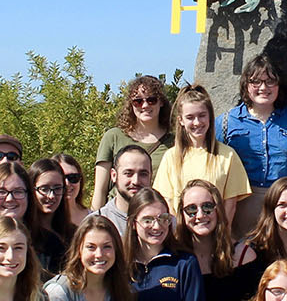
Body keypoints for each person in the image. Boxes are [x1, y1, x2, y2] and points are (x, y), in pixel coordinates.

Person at [219, 56, 287, 235]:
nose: (263, 88)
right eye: (255, 82)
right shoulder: (225, 122)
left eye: (270, 81)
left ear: (279, 85)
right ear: (245, 85)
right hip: (244, 204)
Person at [155, 84, 252, 223]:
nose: (197, 122)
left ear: (210, 117)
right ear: (181, 120)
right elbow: (167, 202)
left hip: (215, 235)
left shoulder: (227, 155)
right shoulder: (171, 157)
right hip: (181, 237)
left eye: (202, 116)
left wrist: (222, 237)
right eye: (190, 117)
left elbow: (230, 206)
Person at [94, 76, 174, 210]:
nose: (145, 105)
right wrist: (96, 221)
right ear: (131, 105)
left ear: (161, 102)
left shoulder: (174, 142)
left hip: (155, 216)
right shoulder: (113, 137)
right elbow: (100, 190)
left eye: (151, 100)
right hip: (117, 215)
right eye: (138, 101)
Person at [174, 180, 243, 301]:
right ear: (182, 214)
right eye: (191, 209)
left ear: (218, 210)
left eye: (207, 207)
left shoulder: (243, 256)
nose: (200, 215)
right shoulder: (173, 258)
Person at [24, 157, 74, 275]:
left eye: (57, 188)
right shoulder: (23, 233)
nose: (51, 196)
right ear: (31, 190)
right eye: (44, 189)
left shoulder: (72, 233)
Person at [94, 144, 154, 234]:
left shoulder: (164, 223)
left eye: (143, 174)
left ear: (150, 176)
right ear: (114, 175)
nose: (136, 181)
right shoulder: (96, 223)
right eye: (128, 173)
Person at [56, 152, 92, 227]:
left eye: (73, 178)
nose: (67, 183)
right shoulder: (42, 220)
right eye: (62, 178)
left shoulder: (92, 217)